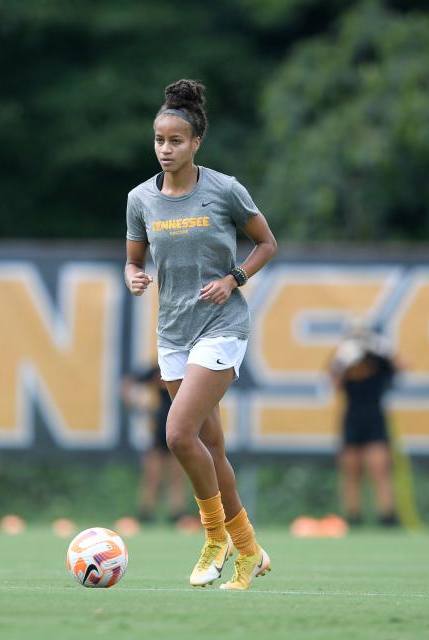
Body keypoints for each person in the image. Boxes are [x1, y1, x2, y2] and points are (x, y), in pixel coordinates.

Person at [125, 79, 278, 590]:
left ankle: (214, 537)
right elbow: (132, 260)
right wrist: (134, 276)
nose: (165, 149)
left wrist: (234, 278)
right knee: (210, 447)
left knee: (177, 433)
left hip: (222, 327)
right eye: (158, 140)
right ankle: (250, 551)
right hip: (173, 334)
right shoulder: (140, 199)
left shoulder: (224, 190)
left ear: (196, 144)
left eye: (175, 141)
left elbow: (266, 243)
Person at [328, 323, 398, 527]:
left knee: (380, 469)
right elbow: (332, 383)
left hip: (375, 417)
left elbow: (402, 367)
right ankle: (353, 516)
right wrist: (342, 359)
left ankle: (387, 516)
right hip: (353, 418)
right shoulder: (345, 361)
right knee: (351, 470)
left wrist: (383, 348)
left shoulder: (379, 360)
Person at [121, 366, 187, 524]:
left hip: (178, 429)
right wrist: (133, 402)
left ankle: (176, 514)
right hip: (156, 434)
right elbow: (128, 383)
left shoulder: (185, 370)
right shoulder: (155, 370)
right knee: (152, 476)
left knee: (177, 476)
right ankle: (146, 513)